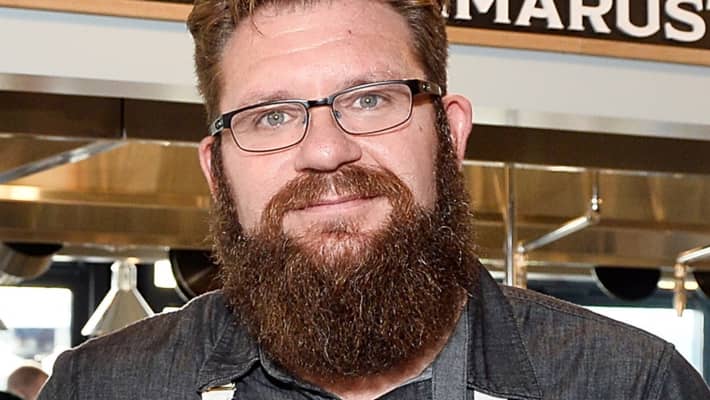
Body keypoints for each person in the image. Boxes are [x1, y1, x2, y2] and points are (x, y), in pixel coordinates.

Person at [38, 0, 709, 399]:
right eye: (271, 115)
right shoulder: (104, 388)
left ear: (449, 133)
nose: (326, 150)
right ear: (218, 169)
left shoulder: (629, 383)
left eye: (369, 100)